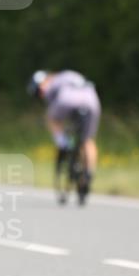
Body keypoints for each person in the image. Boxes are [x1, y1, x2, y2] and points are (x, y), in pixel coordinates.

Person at [28, 69, 101, 197]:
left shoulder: (51, 83)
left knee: (52, 119)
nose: (41, 94)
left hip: (67, 101)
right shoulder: (69, 75)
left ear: (44, 80)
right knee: (88, 140)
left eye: (39, 90)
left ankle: (63, 144)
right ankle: (89, 173)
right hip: (91, 100)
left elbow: (54, 106)